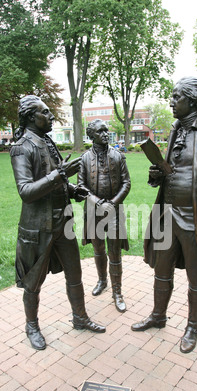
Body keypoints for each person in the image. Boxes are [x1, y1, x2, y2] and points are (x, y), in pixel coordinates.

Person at [131, 77, 197, 354]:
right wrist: (158, 175)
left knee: (196, 277)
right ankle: (158, 316)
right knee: (161, 271)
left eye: (176, 97)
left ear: (193, 100)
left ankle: (193, 327)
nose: (171, 101)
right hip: (167, 214)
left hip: (195, 219)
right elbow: (171, 170)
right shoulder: (176, 128)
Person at [10, 96, 105, 350]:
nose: (51, 116)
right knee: (33, 282)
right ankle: (32, 326)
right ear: (32, 117)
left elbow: (54, 180)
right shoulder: (22, 147)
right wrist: (61, 174)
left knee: (75, 273)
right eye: (45, 112)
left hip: (63, 224)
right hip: (38, 227)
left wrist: (73, 189)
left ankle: (80, 318)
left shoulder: (47, 142)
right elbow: (26, 191)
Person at [78, 119, 131, 313]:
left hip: (114, 211)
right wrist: (98, 202)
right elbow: (81, 186)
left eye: (106, 130)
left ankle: (117, 292)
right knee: (98, 249)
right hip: (94, 212)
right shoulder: (84, 158)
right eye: (100, 131)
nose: (105, 134)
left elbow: (127, 183)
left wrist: (113, 203)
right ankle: (102, 281)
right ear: (91, 135)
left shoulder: (118, 156)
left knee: (114, 252)